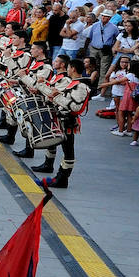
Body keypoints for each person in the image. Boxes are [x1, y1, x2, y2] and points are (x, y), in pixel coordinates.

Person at [37, 58, 93, 189]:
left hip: (68, 121)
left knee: (68, 151)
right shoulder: (74, 84)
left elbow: (75, 107)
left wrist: (56, 97)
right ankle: (59, 176)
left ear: (73, 68)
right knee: (63, 148)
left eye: (68, 67)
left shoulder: (81, 86)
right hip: (61, 119)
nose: (67, 70)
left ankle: (63, 179)